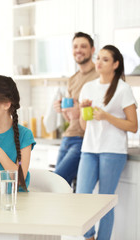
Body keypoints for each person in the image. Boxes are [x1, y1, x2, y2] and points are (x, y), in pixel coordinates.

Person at [77, 45, 138, 240]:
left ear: (115, 64)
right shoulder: (88, 87)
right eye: (98, 58)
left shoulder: (123, 89)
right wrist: (84, 111)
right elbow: (84, 126)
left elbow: (133, 125)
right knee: (81, 196)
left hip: (112, 151)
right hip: (89, 148)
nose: (99, 62)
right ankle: (89, 236)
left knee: (105, 201)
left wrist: (106, 116)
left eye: (105, 59)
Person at [53, 32, 99, 186]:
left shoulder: (99, 75)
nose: (79, 50)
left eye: (83, 46)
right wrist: (63, 109)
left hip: (83, 138)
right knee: (62, 187)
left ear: (92, 50)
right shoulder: (72, 79)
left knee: (57, 182)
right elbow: (70, 118)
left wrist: (79, 109)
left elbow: (102, 108)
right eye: (75, 46)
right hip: (68, 137)